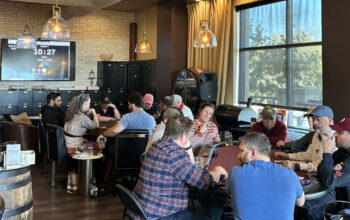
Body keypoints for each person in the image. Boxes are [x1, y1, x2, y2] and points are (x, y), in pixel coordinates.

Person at [132, 115, 228, 219]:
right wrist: (217, 170)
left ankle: (218, 214)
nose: (189, 138)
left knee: (202, 195)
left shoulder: (157, 144)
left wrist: (187, 146)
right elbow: (204, 181)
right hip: (161, 214)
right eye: (188, 136)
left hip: (144, 206)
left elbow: (187, 172)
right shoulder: (175, 154)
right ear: (183, 137)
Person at [226, 132, 305, 220]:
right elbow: (301, 203)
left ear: (253, 152)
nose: (238, 156)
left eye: (241, 151)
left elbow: (229, 194)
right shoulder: (290, 174)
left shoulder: (235, 172)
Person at [302, 118, 350, 220]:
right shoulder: (341, 153)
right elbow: (320, 171)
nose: (335, 134)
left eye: (340, 132)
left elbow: (328, 180)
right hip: (340, 204)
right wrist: (330, 168)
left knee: (313, 213)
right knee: (310, 211)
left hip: (347, 210)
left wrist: (327, 152)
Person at [274, 105, 335, 172]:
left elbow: (322, 167)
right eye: (314, 119)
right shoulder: (317, 134)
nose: (314, 122)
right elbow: (308, 155)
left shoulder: (335, 139)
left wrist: (297, 166)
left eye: (318, 119)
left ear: (330, 120)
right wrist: (287, 156)